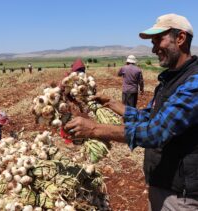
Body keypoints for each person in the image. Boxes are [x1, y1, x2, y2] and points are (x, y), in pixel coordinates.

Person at [65, 13, 198, 210]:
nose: (153, 49)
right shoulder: (168, 80)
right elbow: (147, 116)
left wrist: (94, 129)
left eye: (158, 40)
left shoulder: (193, 82)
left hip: (181, 195)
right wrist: (110, 103)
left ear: (180, 39)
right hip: (163, 183)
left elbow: (156, 131)